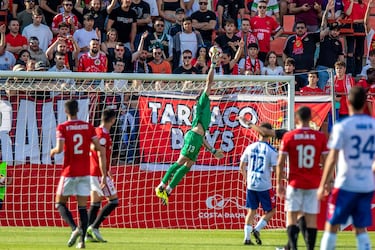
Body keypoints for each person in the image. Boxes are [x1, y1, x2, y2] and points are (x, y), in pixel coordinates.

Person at [155, 50, 224, 205]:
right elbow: (209, 82)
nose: (207, 92)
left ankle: (168, 190)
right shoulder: (202, 102)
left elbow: (203, 136)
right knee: (182, 161)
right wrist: (213, 64)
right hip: (193, 136)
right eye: (204, 93)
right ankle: (161, 185)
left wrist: (212, 151)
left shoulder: (203, 108)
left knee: (189, 164)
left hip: (197, 137)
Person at [318, 86, 375, 250]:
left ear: (348, 102)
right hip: (366, 185)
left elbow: (332, 157)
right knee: (360, 228)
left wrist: (324, 184)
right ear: (365, 103)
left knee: (332, 225)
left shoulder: (342, 126)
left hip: (345, 183)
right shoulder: (372, 125)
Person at [50, 99, 106, 249]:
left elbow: (60, 149)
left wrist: (53, 151)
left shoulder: (62, 127)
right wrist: (91, 146)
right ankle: (81, 242)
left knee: (60, 203)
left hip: (69, 172)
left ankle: (74, 229)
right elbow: (98, 147)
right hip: (85, 172)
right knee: (82, 207)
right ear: (78, 110)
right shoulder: (88, 127)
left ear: (66, 111)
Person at [276, 106, 329, 250]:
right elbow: (326, 161)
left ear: (297, 118)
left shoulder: (289, 136)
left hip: (295, 183)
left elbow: (280, 162)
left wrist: (279, 184)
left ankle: (293, 248)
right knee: (311, 220)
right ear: (310, 119)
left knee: (291, 217)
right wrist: (326, 182)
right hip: (313, 184)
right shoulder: (320, 137)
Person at [239, 122, 278, 246]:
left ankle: (247, 238)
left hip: (251, 183)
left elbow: (241, 167)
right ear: (270, 134)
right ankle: (257, 229)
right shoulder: (271, 150)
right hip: (264, 185)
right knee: (271, 210)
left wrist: (246, 179)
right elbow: (277, 169)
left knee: (251, 211)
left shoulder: (250, 147)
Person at [87, 109, 119, 243]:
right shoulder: (103, 135)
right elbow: (100, 156)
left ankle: (87, 234)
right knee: (114, 201)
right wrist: (104, 175)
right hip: (99, 173)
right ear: (112, 120)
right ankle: (94, 227)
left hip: (92, 171)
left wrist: (108, 170)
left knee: (95, 203)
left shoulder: (95, 131)